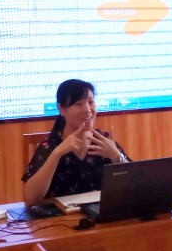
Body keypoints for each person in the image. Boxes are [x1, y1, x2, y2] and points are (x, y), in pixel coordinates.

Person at [22, 79, 130, 207]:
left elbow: (137, 184)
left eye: (91, 102)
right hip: (63, 217)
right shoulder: (50, 146)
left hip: (102, 214)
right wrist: (56, 154)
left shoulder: (103, 141)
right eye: (78, 104)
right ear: (61, 109)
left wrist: (117, 156)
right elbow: (30, 199)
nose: (87, 109)